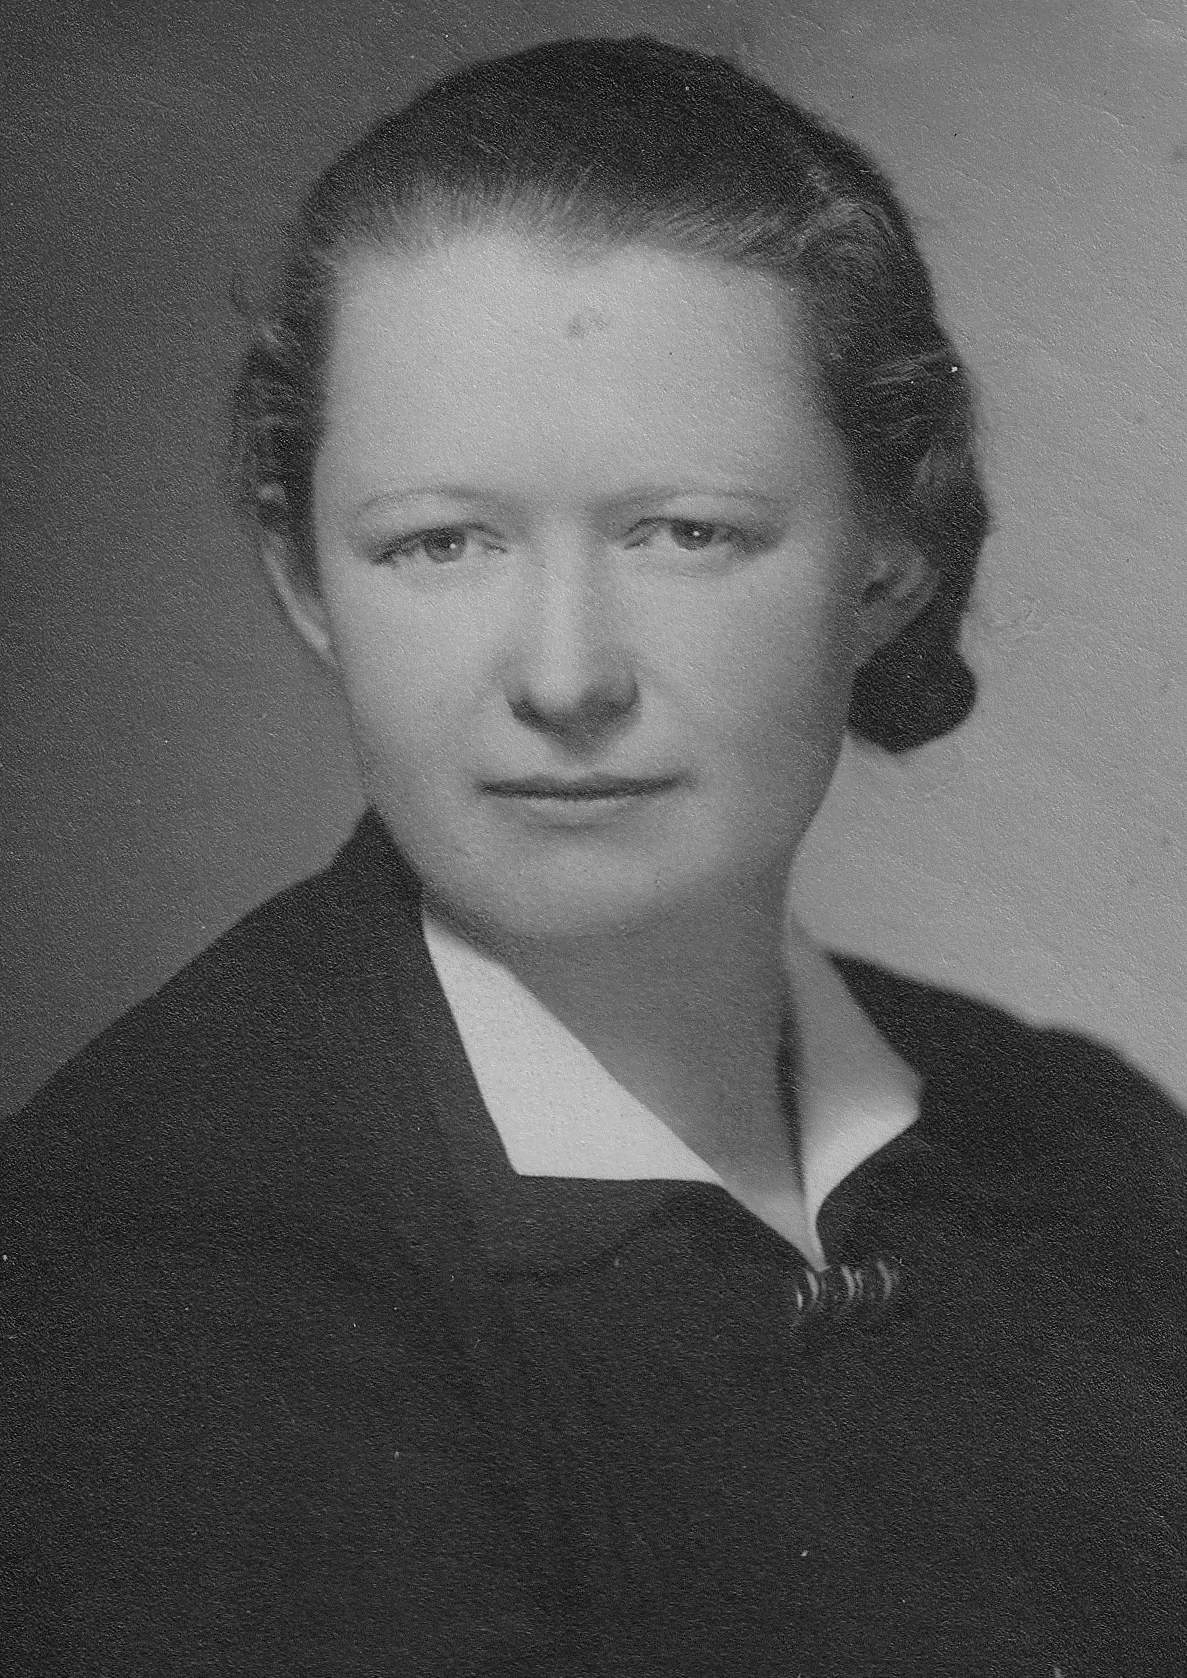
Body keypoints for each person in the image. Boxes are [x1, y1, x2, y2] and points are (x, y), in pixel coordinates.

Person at [3, 35, 1183, 1676]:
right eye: (439, 541)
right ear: (307, 580)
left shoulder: (1093, 1148)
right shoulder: (144, 1262)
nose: (564, 677)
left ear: (886, 564)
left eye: (684, 532)